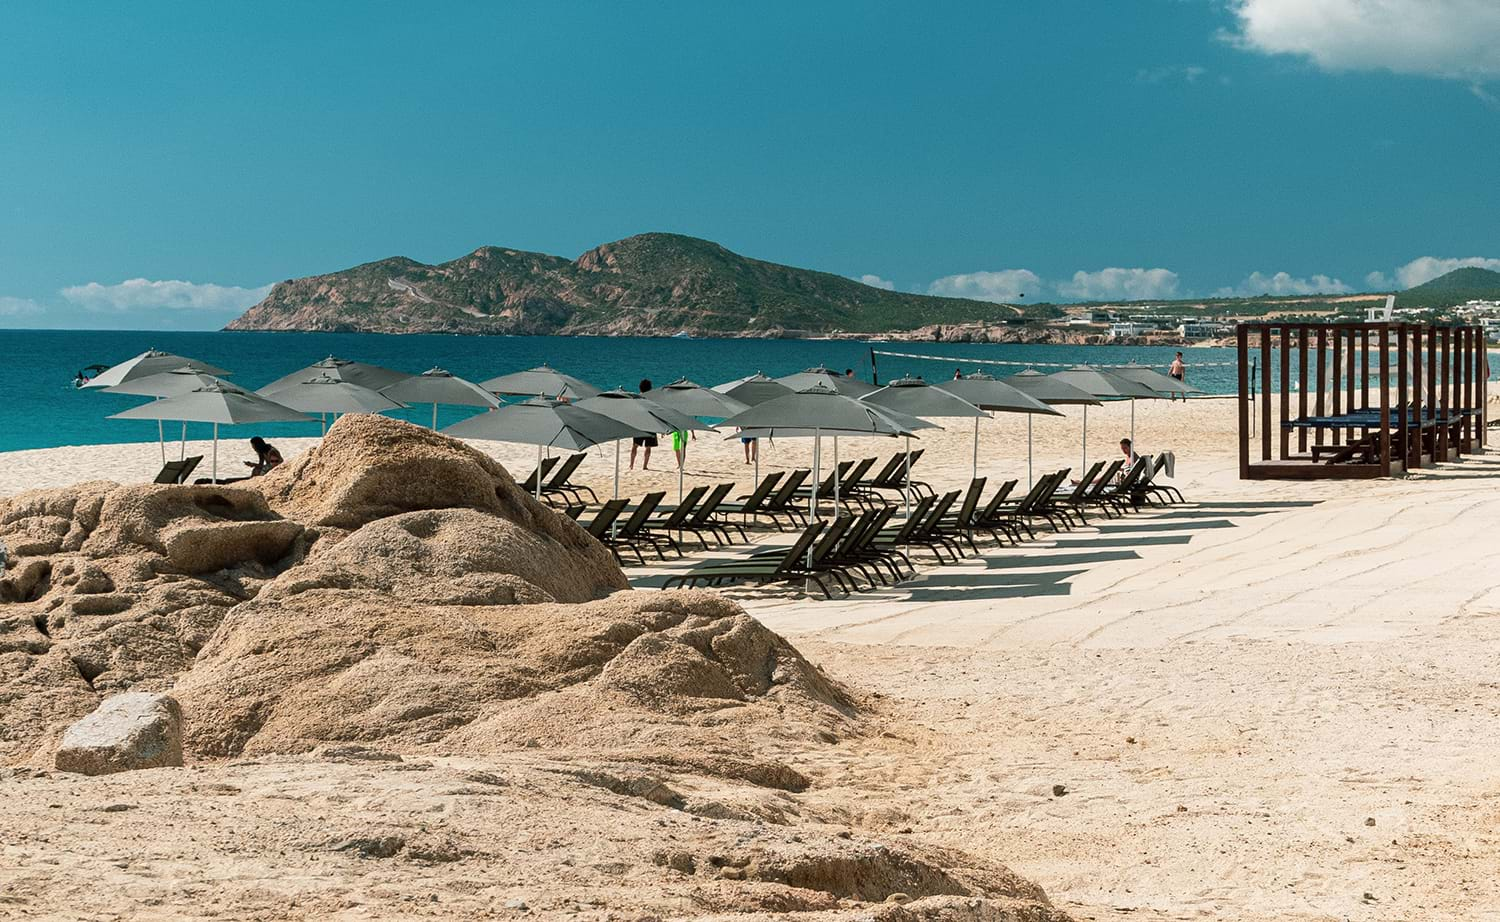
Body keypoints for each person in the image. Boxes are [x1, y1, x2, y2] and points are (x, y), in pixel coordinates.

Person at [629, 378, 656, 470]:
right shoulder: (652, 399)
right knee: (648, 447)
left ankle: (631, 465)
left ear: (640, 388)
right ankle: (644, 466)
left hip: (639, 424)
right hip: (650, 424)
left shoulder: (636, 398)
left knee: (635, 445)